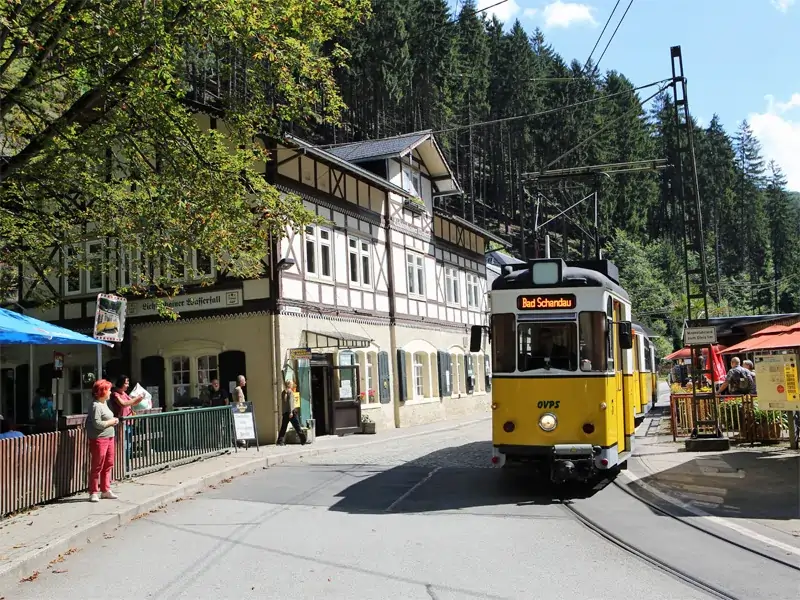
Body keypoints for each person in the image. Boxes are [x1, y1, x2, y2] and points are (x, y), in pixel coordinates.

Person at [86, 379, 119, 502]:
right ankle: (93, 492)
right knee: (97, 465)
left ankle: (105, 490)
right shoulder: (95, 405)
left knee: (108, 463)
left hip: (110, 436)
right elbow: (97, 424)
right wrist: (112, 421)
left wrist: (113, 420)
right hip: (99, 438)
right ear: (102, 391)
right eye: (109, 390)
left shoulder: (104, 403)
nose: (110, 392)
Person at [276, 380, 306, 446]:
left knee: (283, 427)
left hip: (285, 413)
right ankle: (303, 439)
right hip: (291, 412)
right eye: (292, 384)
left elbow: (283, 404)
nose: (292, 385)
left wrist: (284, 412)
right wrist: (291, 412)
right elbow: (290, 403)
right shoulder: (290, 392)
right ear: (289, 385)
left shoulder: (283, 392)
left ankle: (280, 441)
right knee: (297, 426)